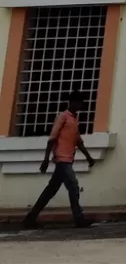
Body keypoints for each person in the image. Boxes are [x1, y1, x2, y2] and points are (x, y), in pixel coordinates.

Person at [22, 91, 94, 229]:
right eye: (79, 102)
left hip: (67, 159)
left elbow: (78, 141)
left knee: (50, 190)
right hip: (62, 159)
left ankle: (30, 218)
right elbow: (52, 139)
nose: (80, 105)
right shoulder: (63, 117)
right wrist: (46, 160)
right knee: (73, 186)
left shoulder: (74, 119)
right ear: (73, 102)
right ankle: (79, 218)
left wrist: (89, 157)